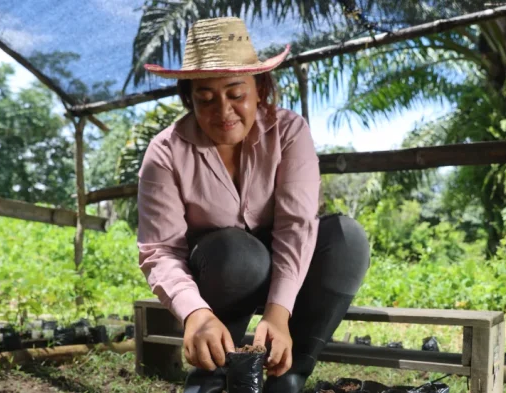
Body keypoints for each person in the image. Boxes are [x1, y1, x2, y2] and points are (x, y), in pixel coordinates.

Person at [136, 17, 370, 393]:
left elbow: (296, 224)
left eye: (235, 93)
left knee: (346, 238)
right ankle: (213, 372)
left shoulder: (289, 131)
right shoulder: (165, 153)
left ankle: (287, 375)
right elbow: (160, 250)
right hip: (222, 278)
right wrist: (196, 314)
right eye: (206, 98)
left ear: (260, 89)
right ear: (189, 98)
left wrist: (278, 314)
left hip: (290, 279)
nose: (223, 111)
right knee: (237, 252)